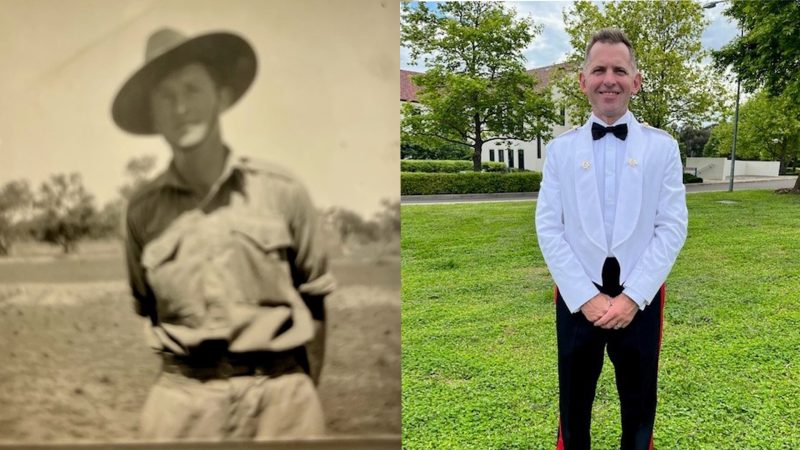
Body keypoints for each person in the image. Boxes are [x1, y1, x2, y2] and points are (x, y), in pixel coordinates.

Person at [112, 28, 336, 440]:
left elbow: (315, 299)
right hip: (182, 406)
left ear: (222, 97)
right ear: (153, 116)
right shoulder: (142, 212)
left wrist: (298, 395)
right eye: (165, 96)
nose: (180, 106)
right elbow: (146, 305)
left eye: (192, 89)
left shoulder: (281, 191)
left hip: (280, 401)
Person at [535, 28, 688, 450]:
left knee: (639, 409)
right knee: (574, 405)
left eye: (619, 70)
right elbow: (549, 227)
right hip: (576, 297)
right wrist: (584, 296)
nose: (609, 79)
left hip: (638, 300)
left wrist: (632, 297)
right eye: (598, 69)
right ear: (583, 81)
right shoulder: (561, 151)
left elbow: (671, 227)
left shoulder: (662, 148)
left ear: (635, 81)